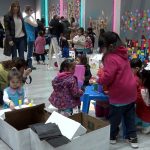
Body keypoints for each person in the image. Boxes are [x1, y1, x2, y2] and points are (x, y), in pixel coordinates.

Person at [97, 31, 138, 148]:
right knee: (130, 118)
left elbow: (108, 76)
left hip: (119, 94)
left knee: (114, 118)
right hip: (131, 92)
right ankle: (133, 138)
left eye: (102, 47)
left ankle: (112, 136)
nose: (101, 50)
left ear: (108, 46)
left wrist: (99, 79)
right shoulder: (123, 54)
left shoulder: (110, 57)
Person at [135, 63, 150, 134]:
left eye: (140, 78)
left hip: (145, 117)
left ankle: (146, 127)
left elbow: (136, 100)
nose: (139, 79)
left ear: (144, 79)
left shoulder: (142, 90)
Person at [24, 5, 38, 69]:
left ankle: (29, 65)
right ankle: (29, 65)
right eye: (31, 10)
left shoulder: (30, 17)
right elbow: (35, 25)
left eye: (32, 10)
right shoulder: (27, 19)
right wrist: (34, 20)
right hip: (29, 37)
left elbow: (35, 24)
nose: (32, 11)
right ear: (27, 11)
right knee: (30, 51)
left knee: (30, 51)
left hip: (31, 36)